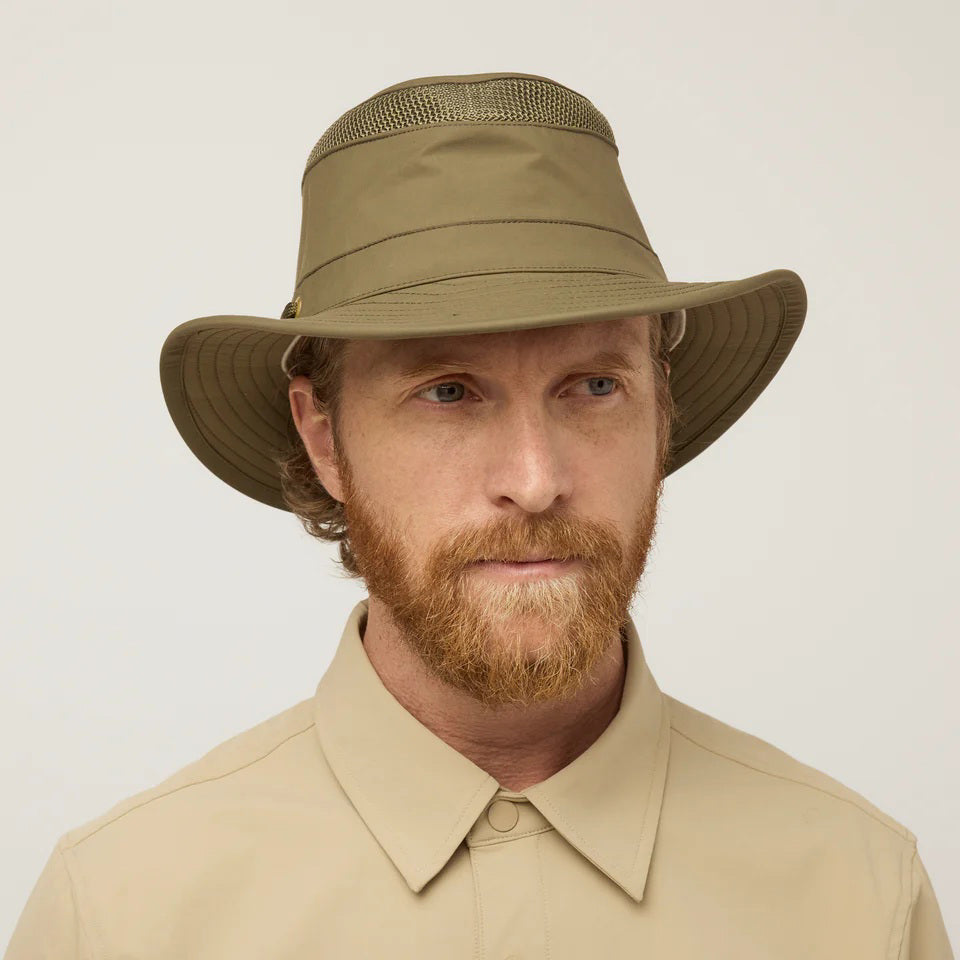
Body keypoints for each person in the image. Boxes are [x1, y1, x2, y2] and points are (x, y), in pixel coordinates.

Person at [5, 71, 952, 959]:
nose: (536, 481)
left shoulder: (857, 895)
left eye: (593, 384)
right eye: (449, 392)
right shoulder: (123, 916)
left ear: (661, 407)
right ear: (325, 437)